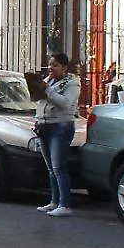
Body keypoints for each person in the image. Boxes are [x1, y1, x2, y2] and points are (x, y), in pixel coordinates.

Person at [33, 52, 81, 218]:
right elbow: (40, 103)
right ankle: (54, 201)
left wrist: (48, 91)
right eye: (50, 64)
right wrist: (37, 119)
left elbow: (66, 104)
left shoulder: (72, 83)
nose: (51, 68)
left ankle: (65, 204)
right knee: (50, 168)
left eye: (55, 65)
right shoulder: (48, 81)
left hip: (60, 126)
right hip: (44, 125)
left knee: (59, 167)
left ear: (64, 67)